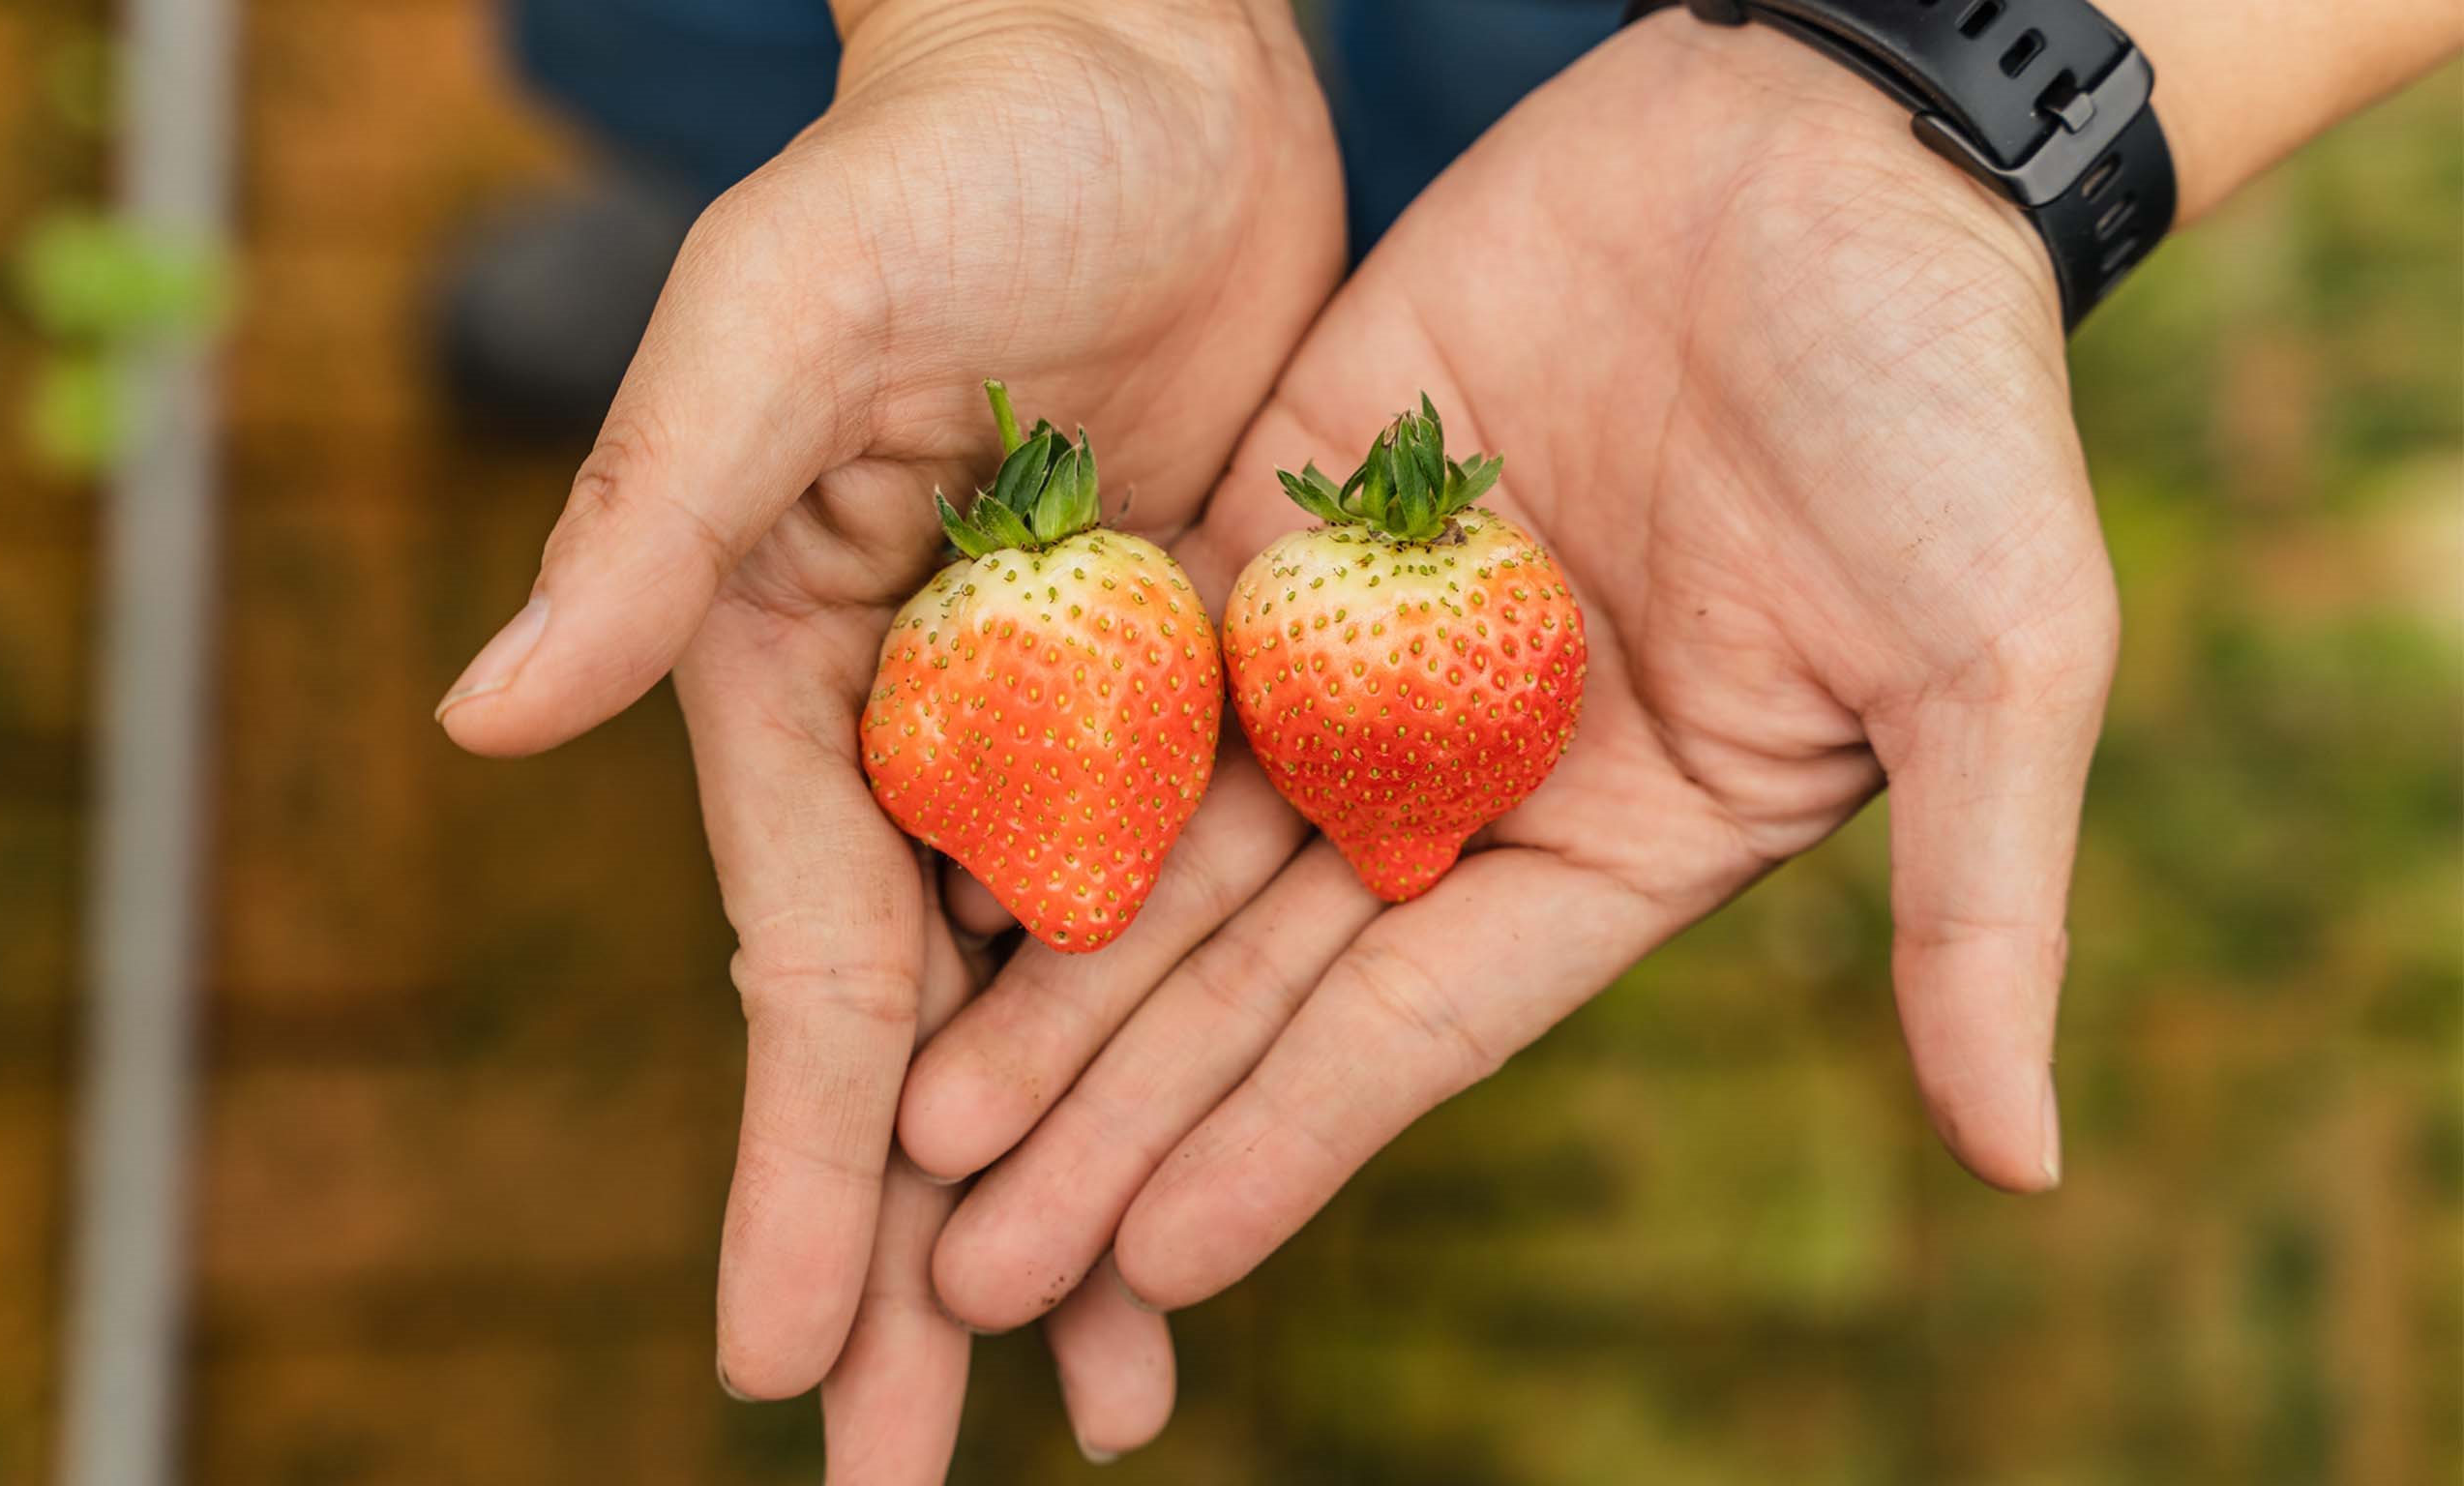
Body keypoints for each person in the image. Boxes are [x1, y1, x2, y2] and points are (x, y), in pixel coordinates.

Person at [431, 0, 2463, 1474]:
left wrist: (1935, 82)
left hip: (1657, 66)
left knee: (1506, 79)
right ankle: (797, 214)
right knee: (748, 76)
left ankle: (1085, 246)